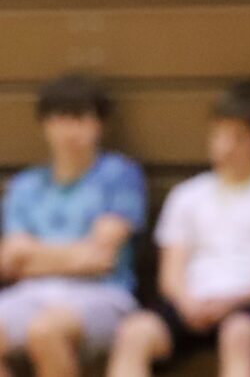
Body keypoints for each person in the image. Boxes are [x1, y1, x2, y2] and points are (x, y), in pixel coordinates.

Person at [106, 80, 250, 377]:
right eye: (219, 134)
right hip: (191, 303)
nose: (225, 146)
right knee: (134, 333)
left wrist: (231, 303)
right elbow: (170, 274)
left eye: (238, 137)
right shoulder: (186, 194)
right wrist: (187, 304)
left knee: (238, 334)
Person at [0, 74, 146, 377]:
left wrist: (36, 256)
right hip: (31, 293)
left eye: (80, 119)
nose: (71, 131)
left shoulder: (119, 175)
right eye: (61, 119)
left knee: (44, 331)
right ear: (45, 124)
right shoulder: (25, 185)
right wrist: (75, 256)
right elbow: (11, 261)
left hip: (104, 295)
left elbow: (101, 258)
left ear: (99, 124)